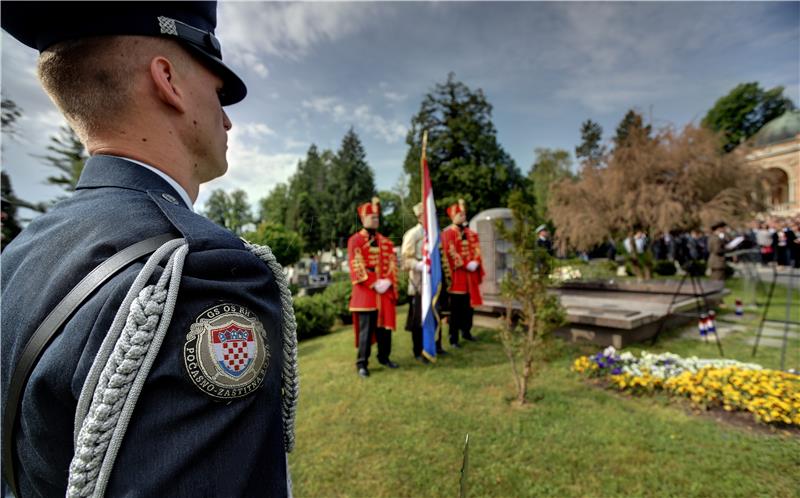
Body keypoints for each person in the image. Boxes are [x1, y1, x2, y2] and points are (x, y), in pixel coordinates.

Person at [0, 3, 297, 497]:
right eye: (219, 92)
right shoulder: (199, 272)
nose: (227, 120)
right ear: (168, 80)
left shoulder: (18, 257)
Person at [347, 198, 399, 377]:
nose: (375, 220)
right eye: (372, 217)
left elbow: (392, 263)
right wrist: (374, 282)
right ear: (362, 219)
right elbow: (356, 265)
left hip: (383, 292)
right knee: (366, 332)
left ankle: (384, 357)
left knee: (385, 329)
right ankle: (362, 363)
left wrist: (389, 281)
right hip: (366, 292)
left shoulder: (386, 242)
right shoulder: (355, 240)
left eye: (377, 217)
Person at [440, 199, 484, 347]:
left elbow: (477, 249)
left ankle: (467, 331)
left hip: (470, 277)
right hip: (456, 277)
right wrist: (466, 264)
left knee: (468, 307)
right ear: (452, 216)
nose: (463, 216)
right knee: (456, 309)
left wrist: (476, 262)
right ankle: (454, 337)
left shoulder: (471, 233)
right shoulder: (447, 234)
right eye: (460, 214)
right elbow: (449, 253)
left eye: (464, 214)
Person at [401, 203, 429, 363]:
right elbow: (405, 261)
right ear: (419, 216)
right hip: (418, 282)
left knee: (433, 313)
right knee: (418, 319)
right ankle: (418, 350)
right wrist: (418, 264)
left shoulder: (433, 233)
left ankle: (434, 345)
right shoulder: (412, 234)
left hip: (432, 281)